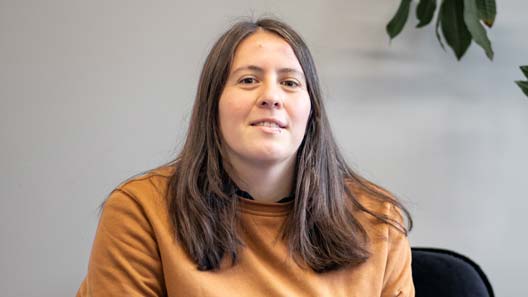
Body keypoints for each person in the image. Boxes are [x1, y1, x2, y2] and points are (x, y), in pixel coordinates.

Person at [77, 18, 414, 297]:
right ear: (213, 105)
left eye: (290, 82)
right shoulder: (141, 210)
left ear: (312, 112)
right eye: (248, 80)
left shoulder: (379, 220)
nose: (271, 96)